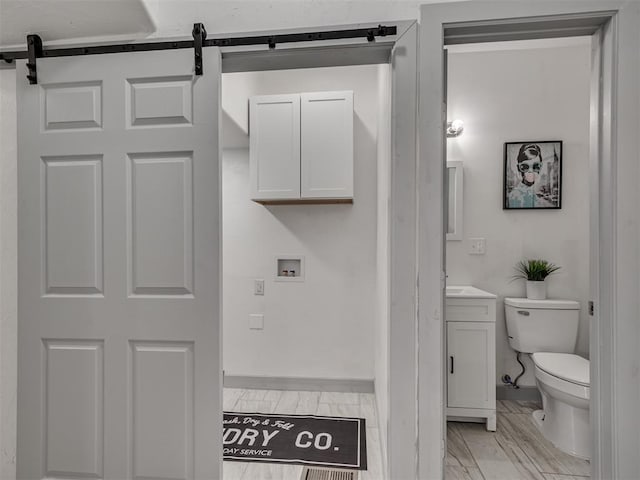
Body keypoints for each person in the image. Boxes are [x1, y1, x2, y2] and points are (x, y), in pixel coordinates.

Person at [507, 143, 552, 208]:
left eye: (536, 166)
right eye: (525, 167)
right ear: (518, 168)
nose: (530, 171)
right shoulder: (516, 195)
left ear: (540, 167)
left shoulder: (531, 192)